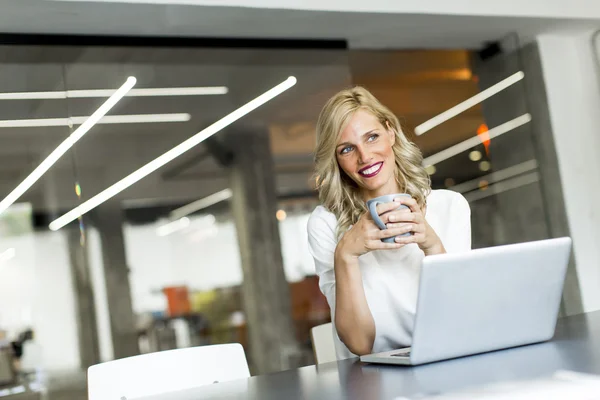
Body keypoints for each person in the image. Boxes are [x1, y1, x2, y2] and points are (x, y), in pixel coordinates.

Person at [307, 86, 471, 359]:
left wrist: (432, 245)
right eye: (347, 149)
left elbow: (459, 319)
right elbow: (360, 344)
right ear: (336, 160)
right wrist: (346, 253)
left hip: (448, 358)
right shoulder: (325, 223)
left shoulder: (449, 206)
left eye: (372, 137)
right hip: (374, 376)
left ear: (390, 132)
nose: (364, 157)